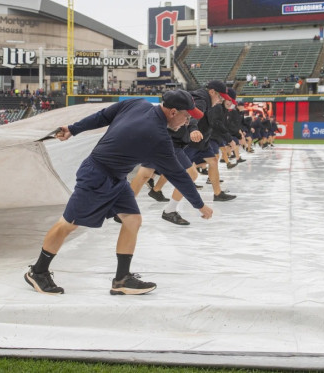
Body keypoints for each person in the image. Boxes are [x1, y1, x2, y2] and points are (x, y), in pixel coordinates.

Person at [24, 90, 213, 296]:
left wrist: (73, 129)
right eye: (186, 116)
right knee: (68, 224)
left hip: (117, 177)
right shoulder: (157, 136)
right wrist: (200, 205)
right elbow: (178, 175)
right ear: (173, 112)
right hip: (96, 176)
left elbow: (103, 116)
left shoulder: (138, 103)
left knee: (132, 220)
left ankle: (122, 279)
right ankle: (38, 271)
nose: (187, 122)